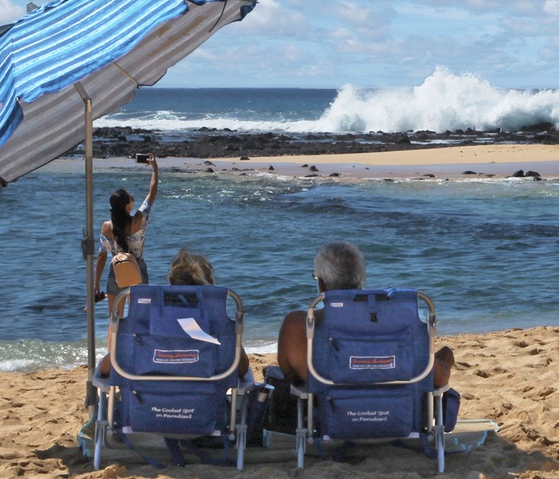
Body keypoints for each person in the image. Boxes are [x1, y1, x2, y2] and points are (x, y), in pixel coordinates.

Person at [276, 241, 453, 386]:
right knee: (445, 355)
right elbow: (439, 378)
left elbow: (289, 374)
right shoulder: (397, 320)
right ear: (362, 279)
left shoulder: (297, 325)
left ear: (322, 284)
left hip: (327, 420)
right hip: (395, 420)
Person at [99, 247, 247, 376]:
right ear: (211, 285)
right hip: (206, 405)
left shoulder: (147, 322)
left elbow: (107, 368)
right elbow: (241, 369)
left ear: (170, 282)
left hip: (148, 404)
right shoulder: (216, 323)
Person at [93, 154, 160, 309]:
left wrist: (96, 284)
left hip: (116, 270)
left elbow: (101, 255)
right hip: (138, 271)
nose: (133, 200)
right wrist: (155, 169)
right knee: (140, 320)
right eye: (131, 198)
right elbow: (152, 193)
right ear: (127, 206)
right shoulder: (138, 220)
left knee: (114, 320)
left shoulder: (106, 227)